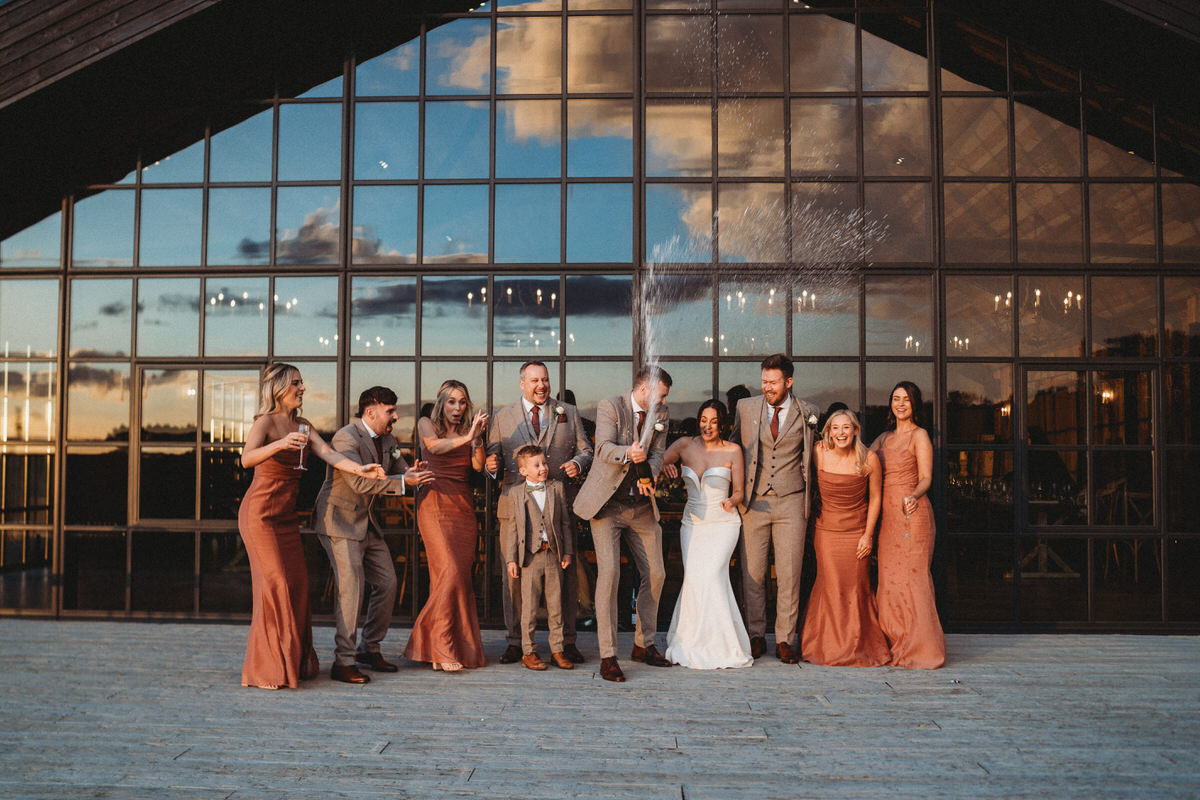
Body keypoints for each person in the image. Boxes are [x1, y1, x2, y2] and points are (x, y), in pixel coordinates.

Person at [237, 363, 386, 690]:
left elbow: (329, 454)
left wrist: (362, 470)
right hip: (260, 514)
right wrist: (279, 444)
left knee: (299, 585)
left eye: (302, 383)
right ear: (278, 388)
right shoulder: (265, 422)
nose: (302, 388)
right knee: (276, 584)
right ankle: (269, 668)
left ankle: (296, 661)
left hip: (287, 517)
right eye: (296, 383)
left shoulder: (302, 424)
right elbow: (246, 459)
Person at [312, 386, 434, 684]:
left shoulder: (389, 439)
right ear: (371, 412)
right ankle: (344, 662)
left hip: (366, 522)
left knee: (388, 583)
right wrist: (405, 482)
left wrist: (412, 472)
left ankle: (370, 648)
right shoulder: (346, 437)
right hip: (339, 521)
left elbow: (400, 466)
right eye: (390, 411)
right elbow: (360, 484)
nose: (395, 416)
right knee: (351, 589)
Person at [486, 360, 593, 665]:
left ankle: (566, 642)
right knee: (515, 578)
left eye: (545, 379)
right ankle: (516, 642)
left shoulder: (568, 412)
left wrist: (579, 464)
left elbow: (586, 450)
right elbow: (491, 459)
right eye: (534, 380)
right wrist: (488, 466)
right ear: (522, 384)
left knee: (566, 577)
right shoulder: (502, 416)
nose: (541, 385)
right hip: (514, 508)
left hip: (558, 507)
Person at [573, 366, 673, 683]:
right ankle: (608, 655)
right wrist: (629, 453)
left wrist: (652, 474)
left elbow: (657, 454)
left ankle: (644, 645)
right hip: (607, 505)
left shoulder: (662, 413)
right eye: (662, 395)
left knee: (656, 573)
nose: (665, 402)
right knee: (611, 574)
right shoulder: (610, 406)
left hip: (641, 506)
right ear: (644, 390)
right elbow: (602, 448)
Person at [731, 353, 820, 664]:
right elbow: (732, 449)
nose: (766, 387)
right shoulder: (745, 408)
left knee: (789, 574)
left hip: (792, 501)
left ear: (789, 382)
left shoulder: (808, 412)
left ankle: (784, 638)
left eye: (773, 382)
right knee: (752, 573)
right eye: (764, 381)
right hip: (753, 502)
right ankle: (756, 635)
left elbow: (814, 455)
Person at [659, 400, 753, 670]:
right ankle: (691, 641)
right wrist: (667, 467)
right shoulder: (684, 446)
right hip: (693, 524)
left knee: (712, 576)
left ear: (722, 424)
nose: (707, 426)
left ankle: (723, 645)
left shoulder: (733, 450)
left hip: (723, 523)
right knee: (695, 580)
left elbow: (739, 492)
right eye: (703, 420)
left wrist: (732, 502)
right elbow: (657, 463)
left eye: (713, 421)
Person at [403, 380, 489, 672]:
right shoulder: (427, 422)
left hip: (463, 508)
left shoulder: (471, 431)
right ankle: (437, 643)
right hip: (434, 504)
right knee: (449, 571)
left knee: (455, 578)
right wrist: (468, 438)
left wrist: (476, 439)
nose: (457, 407)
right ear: (442, 402)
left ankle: (444, 645)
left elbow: (478, 466)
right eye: (452, 401)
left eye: (462, 402)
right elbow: (434, 448)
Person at [800, 409, 891, 667]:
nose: (840, 433)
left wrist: (868, 536)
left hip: (856, 533)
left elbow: (876, 499)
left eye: (846, 428)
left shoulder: (869, 458)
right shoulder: (818, 453)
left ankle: (857, 645)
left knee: (856, 587)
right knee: (830, 585)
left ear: (855, 431)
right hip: (826, 532)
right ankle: (824, 646)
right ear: (827, 431)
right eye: (835, 428)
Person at [869, 381, 946, 669]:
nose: (900, 404)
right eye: (896, 399)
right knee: (890, 581)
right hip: (888, 519)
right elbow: (862, 457)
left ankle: (921, 646)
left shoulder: (919, 435)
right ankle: (895, 641)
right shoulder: (884, 438)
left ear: (915, 404)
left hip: (912, 515)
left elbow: (926, 476)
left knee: (914, 580)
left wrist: (914, 494)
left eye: (906, 400)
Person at [499, 445, 575, 671]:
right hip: (529, 557)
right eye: (536, 465)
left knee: (556, 605)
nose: (543, 468)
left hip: (553, 554)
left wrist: (567, 550)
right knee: (529, 607)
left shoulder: (556, 488)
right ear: (523, 471)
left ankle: (557, 649)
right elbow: (512, 528)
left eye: (544, 463)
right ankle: (528, 651)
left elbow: (564, 523)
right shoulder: (515, 492)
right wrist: (511, 559)